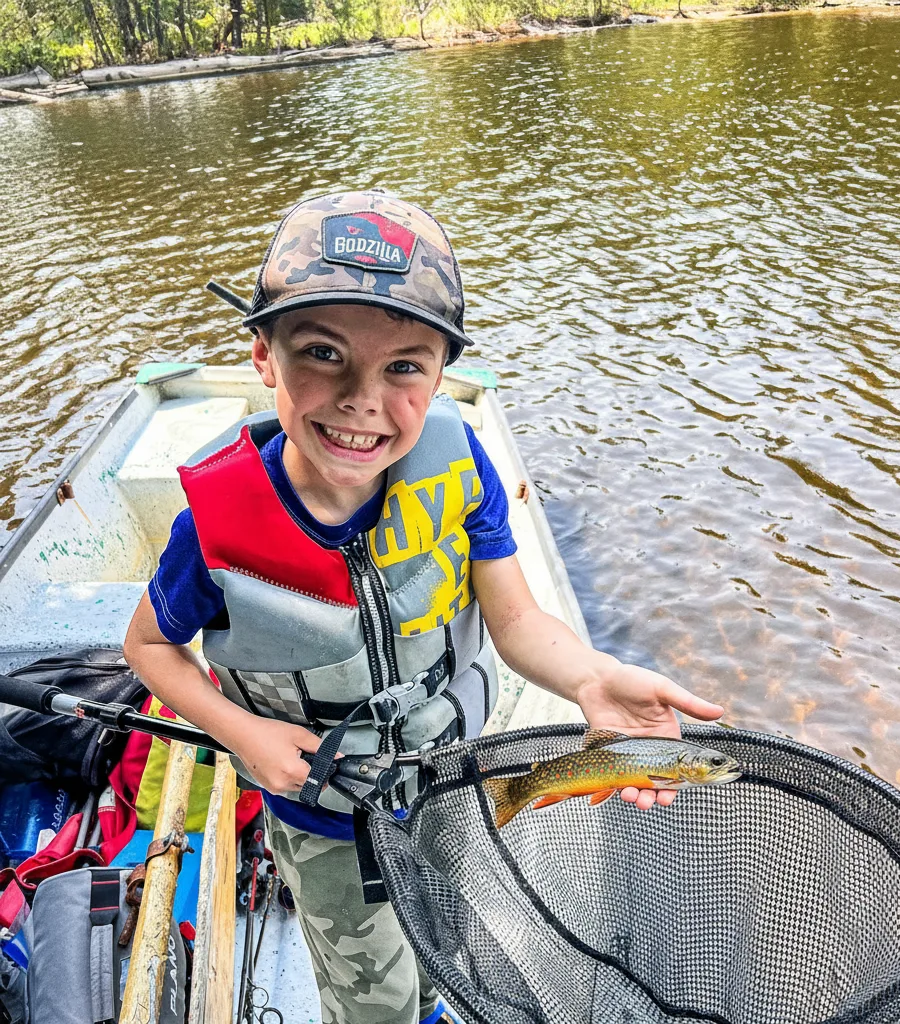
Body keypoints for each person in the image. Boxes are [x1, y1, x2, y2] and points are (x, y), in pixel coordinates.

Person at [123, 189, 724, 1024]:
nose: (363, 398)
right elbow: (149, 648)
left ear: (442, 375)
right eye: (322, 352)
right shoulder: (214, 531)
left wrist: (590, 677)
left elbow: (515, 622)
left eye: (405, 366)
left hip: (449, 780)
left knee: (443, 932)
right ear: (264, 356)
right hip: (325, 817)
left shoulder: (459, 466)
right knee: (370, 991)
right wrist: (245, 734)